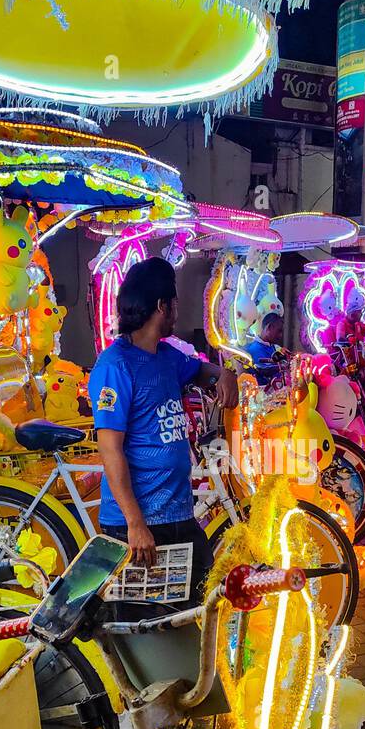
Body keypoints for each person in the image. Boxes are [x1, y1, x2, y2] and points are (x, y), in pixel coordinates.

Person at [88, 257, 238, 600]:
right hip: (139, 525)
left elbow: (200, 370)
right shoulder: (115, 367)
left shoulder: (167, 356)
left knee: (199, 600)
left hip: (177, 515)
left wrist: (224, 375)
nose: (176, 312)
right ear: (161, 306)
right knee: (142, 621)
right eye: (174, 304)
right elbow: (110, 449)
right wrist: (135, 524)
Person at [248, 312, 286, 385]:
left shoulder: (271, 346)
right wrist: (285, 366)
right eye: (279, 331)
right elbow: (265, 370)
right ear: (269, 327)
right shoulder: (255, 349)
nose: (280, 335)